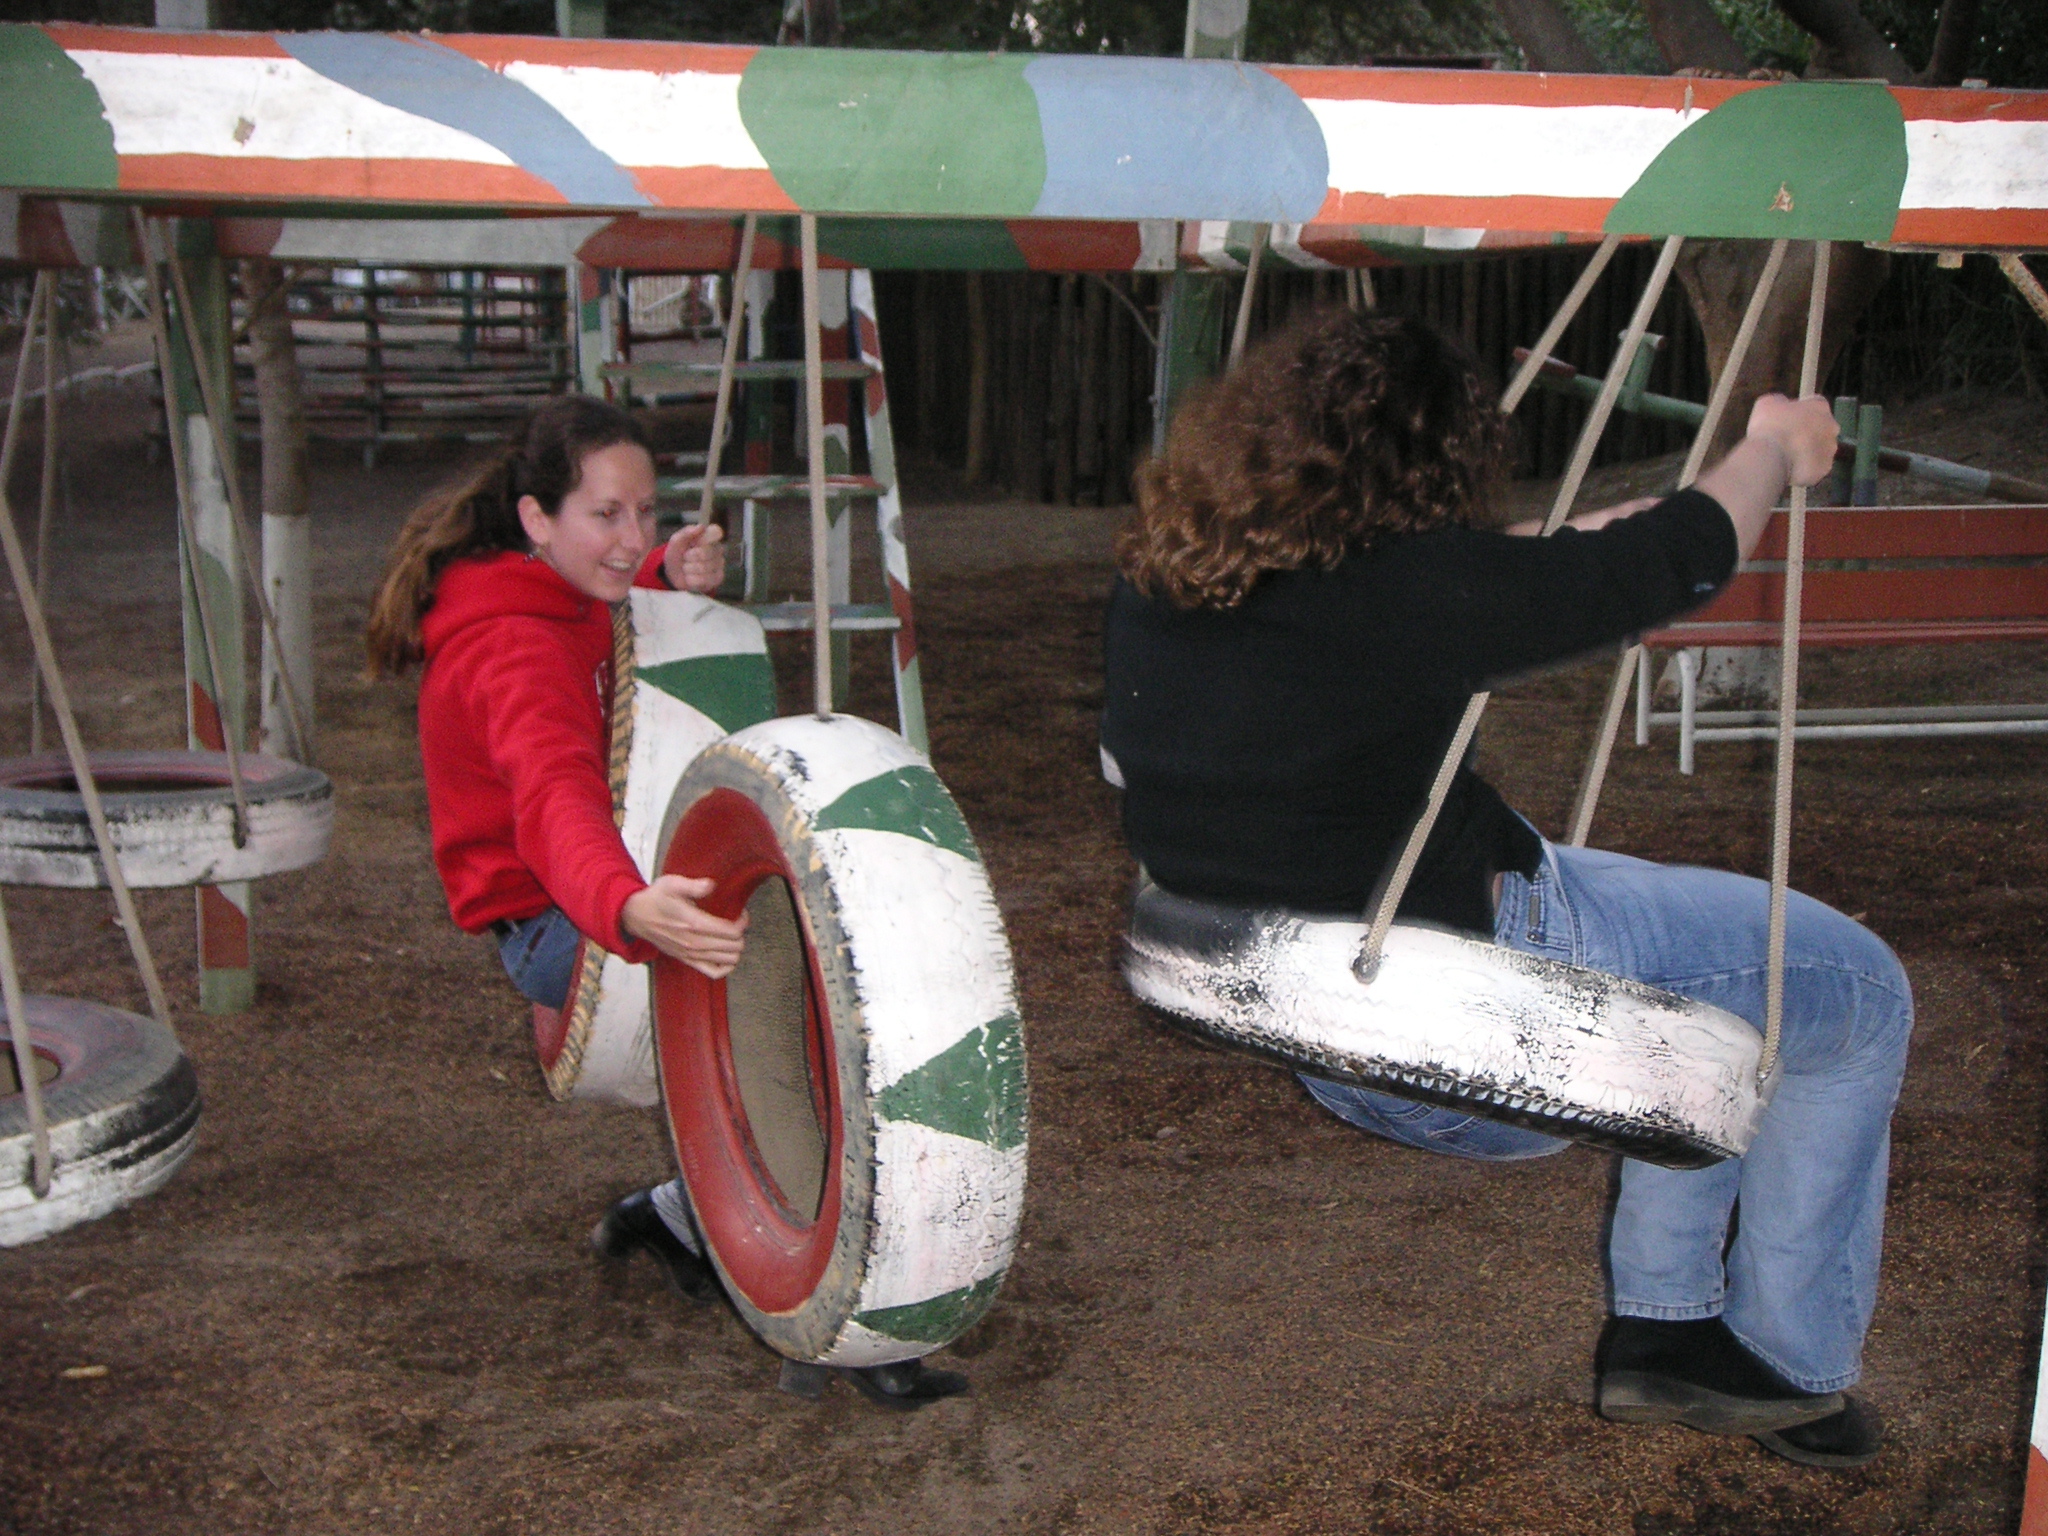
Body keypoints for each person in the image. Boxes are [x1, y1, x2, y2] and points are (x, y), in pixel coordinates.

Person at [1100, 310, 1911, 1470]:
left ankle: (1667, 1335)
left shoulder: (1169, 586)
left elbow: (1539, 563)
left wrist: (1585, 533)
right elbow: (1678, 556)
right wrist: (1773, 450)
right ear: (1434, 455)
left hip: (1323, 1035)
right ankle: (1776, 1355)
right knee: (1853, 991)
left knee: (1718, 969)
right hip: (1489, 1024)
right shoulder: (1406, 597)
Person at [365, 397, 964, 1411]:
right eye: (608, 516)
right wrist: (627, 908)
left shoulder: (559, 590)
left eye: (647, 512)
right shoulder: (509, 648)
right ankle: (823, 1313)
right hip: (557, 921)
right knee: (774, 994)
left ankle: (684, 1218)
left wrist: (655, 578)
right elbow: (554, 798)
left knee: (812, 958)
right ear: (535, 518)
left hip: (607, 876)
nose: (633, 536)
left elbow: (606, 625)